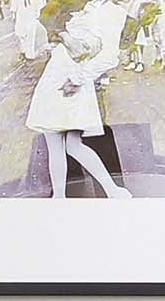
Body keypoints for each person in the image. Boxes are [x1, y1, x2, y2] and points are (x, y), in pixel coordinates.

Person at [25, 29, 126, 201]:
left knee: (64, 146)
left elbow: (80, 51)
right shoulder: (85, 24)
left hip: (63, 84)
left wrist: (64, 36)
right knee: (68, 146)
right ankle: (108, 190)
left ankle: (108, 190)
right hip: (62, 82)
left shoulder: (80, 28)